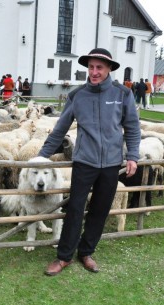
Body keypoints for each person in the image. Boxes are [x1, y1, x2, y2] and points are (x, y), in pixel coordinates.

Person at [39, 48, 140, 276]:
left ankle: (86, 252)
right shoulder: (77, 96)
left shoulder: (122, 94)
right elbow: (60, 129)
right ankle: (64, 256)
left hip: (112, 163)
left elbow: (132, 127)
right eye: (91, 67)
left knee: (100, 209)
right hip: (84, 161)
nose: (94, 72)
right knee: (75, 208)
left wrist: (133, 155)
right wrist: (41, 156)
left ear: (109, 69)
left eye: (99, 68)